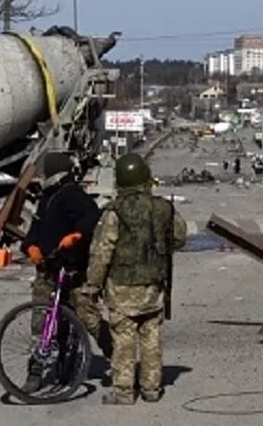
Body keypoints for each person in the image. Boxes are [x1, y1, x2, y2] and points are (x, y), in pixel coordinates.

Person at [84, 152, 187, 406]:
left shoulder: (114, 211)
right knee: (151, 336)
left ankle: (124, 392)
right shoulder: (163, 207)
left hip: (121, 286)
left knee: (124, 339)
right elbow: (180, 236)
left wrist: (93, 285)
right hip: (154, 285)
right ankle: (151, 389)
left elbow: (102, 251)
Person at [19, 160, 106, 391]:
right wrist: (30, 247)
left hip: (73, 270)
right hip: (47, 271)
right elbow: (33, 232)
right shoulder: (46, 198)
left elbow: (92, 217)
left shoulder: (73, 195)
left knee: (89, 319)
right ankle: (35, 371)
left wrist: (76, 236)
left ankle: (118, 358)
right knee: (41, 323)